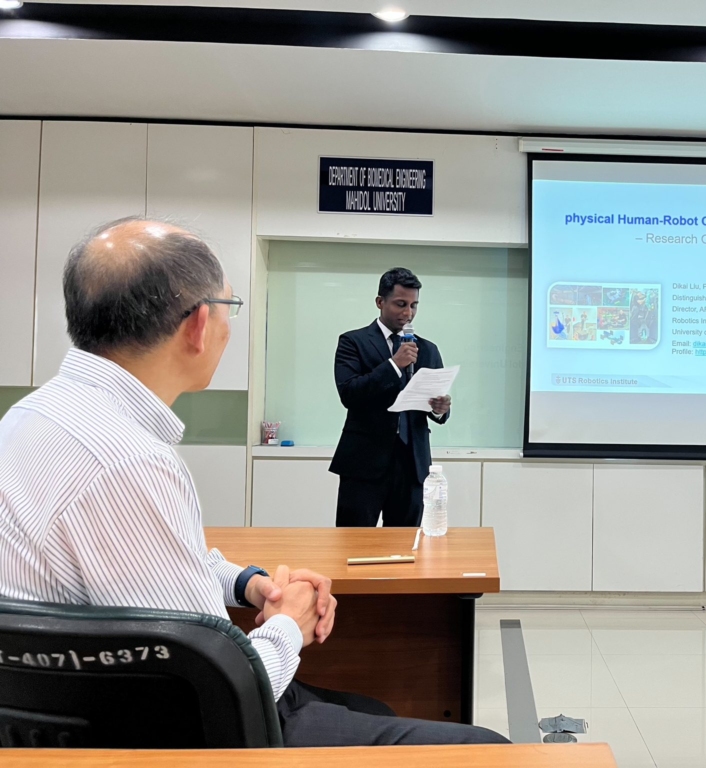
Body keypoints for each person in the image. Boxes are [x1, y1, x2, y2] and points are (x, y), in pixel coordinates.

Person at [0, 218, 505, 746]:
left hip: (107, 709)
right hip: (213, 730)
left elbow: (165, 561)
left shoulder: (34, 417)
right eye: (230, 307)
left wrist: (246, 583)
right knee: (485, 749)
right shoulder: (127, 462)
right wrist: (290, 622)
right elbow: (214, 690)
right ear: (199, 325)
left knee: (371, 705)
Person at [330, 268, 451, 528]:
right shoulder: (353, 341)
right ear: (380, 302)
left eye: (413, 305)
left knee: (405, 544)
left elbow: (435, 403)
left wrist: (440, 408)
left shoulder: (428, 349)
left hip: (412, 464)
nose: (408, 313)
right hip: (364, 464)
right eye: (400, 304)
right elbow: (349, 393)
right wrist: (394, 365)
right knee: (353, 544)